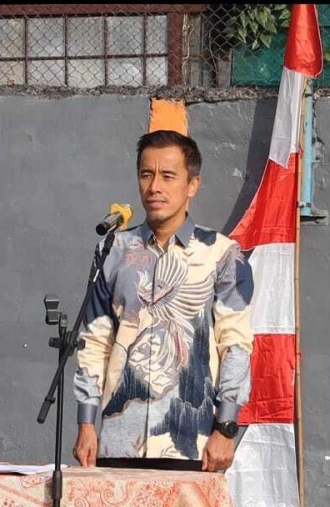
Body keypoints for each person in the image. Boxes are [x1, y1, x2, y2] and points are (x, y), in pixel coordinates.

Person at [72, 130, 254, 472]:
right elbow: (94, 340)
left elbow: (236, 345)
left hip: (192, 444)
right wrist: (86, 423)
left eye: (168, 176)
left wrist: (226, 428)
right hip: (117, 440)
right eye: (146, 174)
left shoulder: (222, 254)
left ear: (192, 185)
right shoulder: (113, 250)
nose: (154, 187)